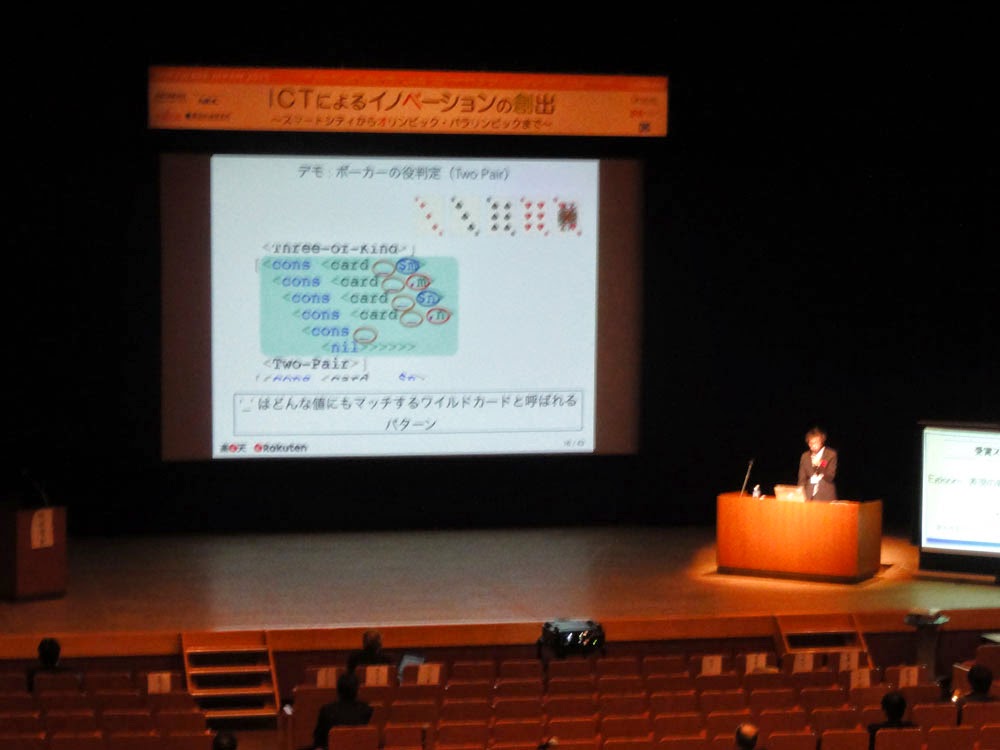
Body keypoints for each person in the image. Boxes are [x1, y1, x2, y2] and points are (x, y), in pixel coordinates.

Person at [312, 671, 373, 749]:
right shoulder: (367, 709)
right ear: (358, 691)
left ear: (338, 690)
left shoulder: (327, 710)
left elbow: (319, 741)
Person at [798, 426, 838, 500]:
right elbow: (802, 479)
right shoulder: (805, 456)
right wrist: (799, 494)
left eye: (815, 442)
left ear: (821, 442)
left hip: (825, 496)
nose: (813, 445)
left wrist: (820, 464)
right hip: (808, 495)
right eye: (810, 443)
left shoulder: (830, 454)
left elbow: (830, 476)